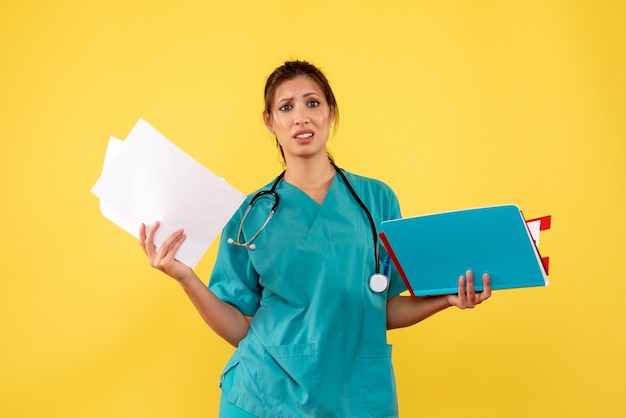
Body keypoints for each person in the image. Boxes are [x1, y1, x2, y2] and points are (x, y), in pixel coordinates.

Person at [139, 60, 491, 417]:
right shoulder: (250, 214)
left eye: (312, 103)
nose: (301, 117)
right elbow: (239, 326)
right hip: (265, 397)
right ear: (269, 121)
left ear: (330, 112)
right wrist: (186, 278)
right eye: (286, 107)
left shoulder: (377, 200)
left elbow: (378, 307)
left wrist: (447, 299)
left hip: (355, 396)